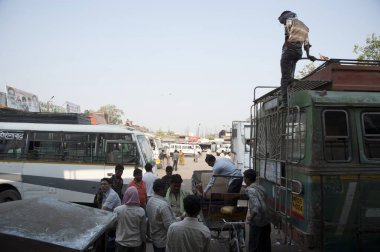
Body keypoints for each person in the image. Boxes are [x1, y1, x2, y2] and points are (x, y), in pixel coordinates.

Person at [278, 10, 316, 107]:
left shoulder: (289, 21)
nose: (283, 24)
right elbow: (306, 44)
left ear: (285, 17)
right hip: (298, 53)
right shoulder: (304, 26)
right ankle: (291, 83)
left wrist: (287, 46)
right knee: (290, 74)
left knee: (284, 78)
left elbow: (287, 36)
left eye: (282, 22)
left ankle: (284, 102)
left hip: (288, 52)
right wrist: (308, 55)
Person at [243, 169, 271, 252]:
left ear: (247, 179)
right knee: (265, 246)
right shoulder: (260, 187)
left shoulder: (250, 190)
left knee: (254, 246)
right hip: (266, 221)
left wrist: (250, 217)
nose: (243, 179)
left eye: (244, 177)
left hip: (257, 222)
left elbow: (257, 206)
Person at [146, 179, 177, 252]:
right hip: (163, 241)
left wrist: (180, 218)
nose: (167, 190)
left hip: (155, 237)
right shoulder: (163, 205)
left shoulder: (150, 200)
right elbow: (169, 226)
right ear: (160, 190)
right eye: (166, 188)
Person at [113, 186, 146, 252]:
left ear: (126, 195)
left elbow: (114, 225)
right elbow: (143, 229)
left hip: (121, 242)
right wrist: (143, 241)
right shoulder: (141, 211)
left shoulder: (117, 210)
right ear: (137, 196)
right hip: (136, 244)